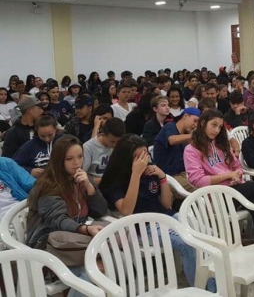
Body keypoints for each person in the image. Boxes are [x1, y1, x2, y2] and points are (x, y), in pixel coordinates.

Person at [98, 134, 198, 288]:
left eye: (145, 154)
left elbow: (166, 204)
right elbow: (127, 210)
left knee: (203, 234)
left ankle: (211, 285)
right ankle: (202, 290)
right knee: (188, 244)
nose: (143, 160)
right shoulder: (116, 181)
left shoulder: (150, 170)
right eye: (138, 157)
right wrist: (136, 175)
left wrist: (163, 177)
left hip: (164, 216)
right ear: (127, 160)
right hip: (142, 227)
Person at [26, 135, 108, 297]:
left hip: (75, 240)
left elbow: (101, 211)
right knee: (94, 271)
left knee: (108, 264)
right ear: (59, 160)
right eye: (69, 158)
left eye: (80, 157)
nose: (77, 162)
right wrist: (84, 229)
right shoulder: (47, 184)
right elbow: (58, 221)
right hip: (48, 245)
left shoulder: (82, 177)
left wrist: (89, 188)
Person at [184, 109, 254, 244]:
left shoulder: (221, 144)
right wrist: (228, 175)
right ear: (203, 123)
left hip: (234, 188)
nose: (217, 130)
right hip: (216, 197)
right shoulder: (191, 150)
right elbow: (198, 180)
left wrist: (236, 176)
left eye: (220, 127)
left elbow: (237, 166)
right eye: (214, 125)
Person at [153, 107, 200, 198]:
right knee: (205, 188)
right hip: (170, 178)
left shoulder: (186, 136)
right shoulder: (170, 126)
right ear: (185, 116)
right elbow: (172, 140)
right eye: (195, 121)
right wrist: (194, 135)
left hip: (186, 174)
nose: (195, 125)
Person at [82, 118, 125, 185]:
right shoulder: (88, 148)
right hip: (95, 186)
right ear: (103, 134)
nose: (115, 145)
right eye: (112, 141)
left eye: (118, 141)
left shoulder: (121, 145)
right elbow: (82, 176)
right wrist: (104, 181)